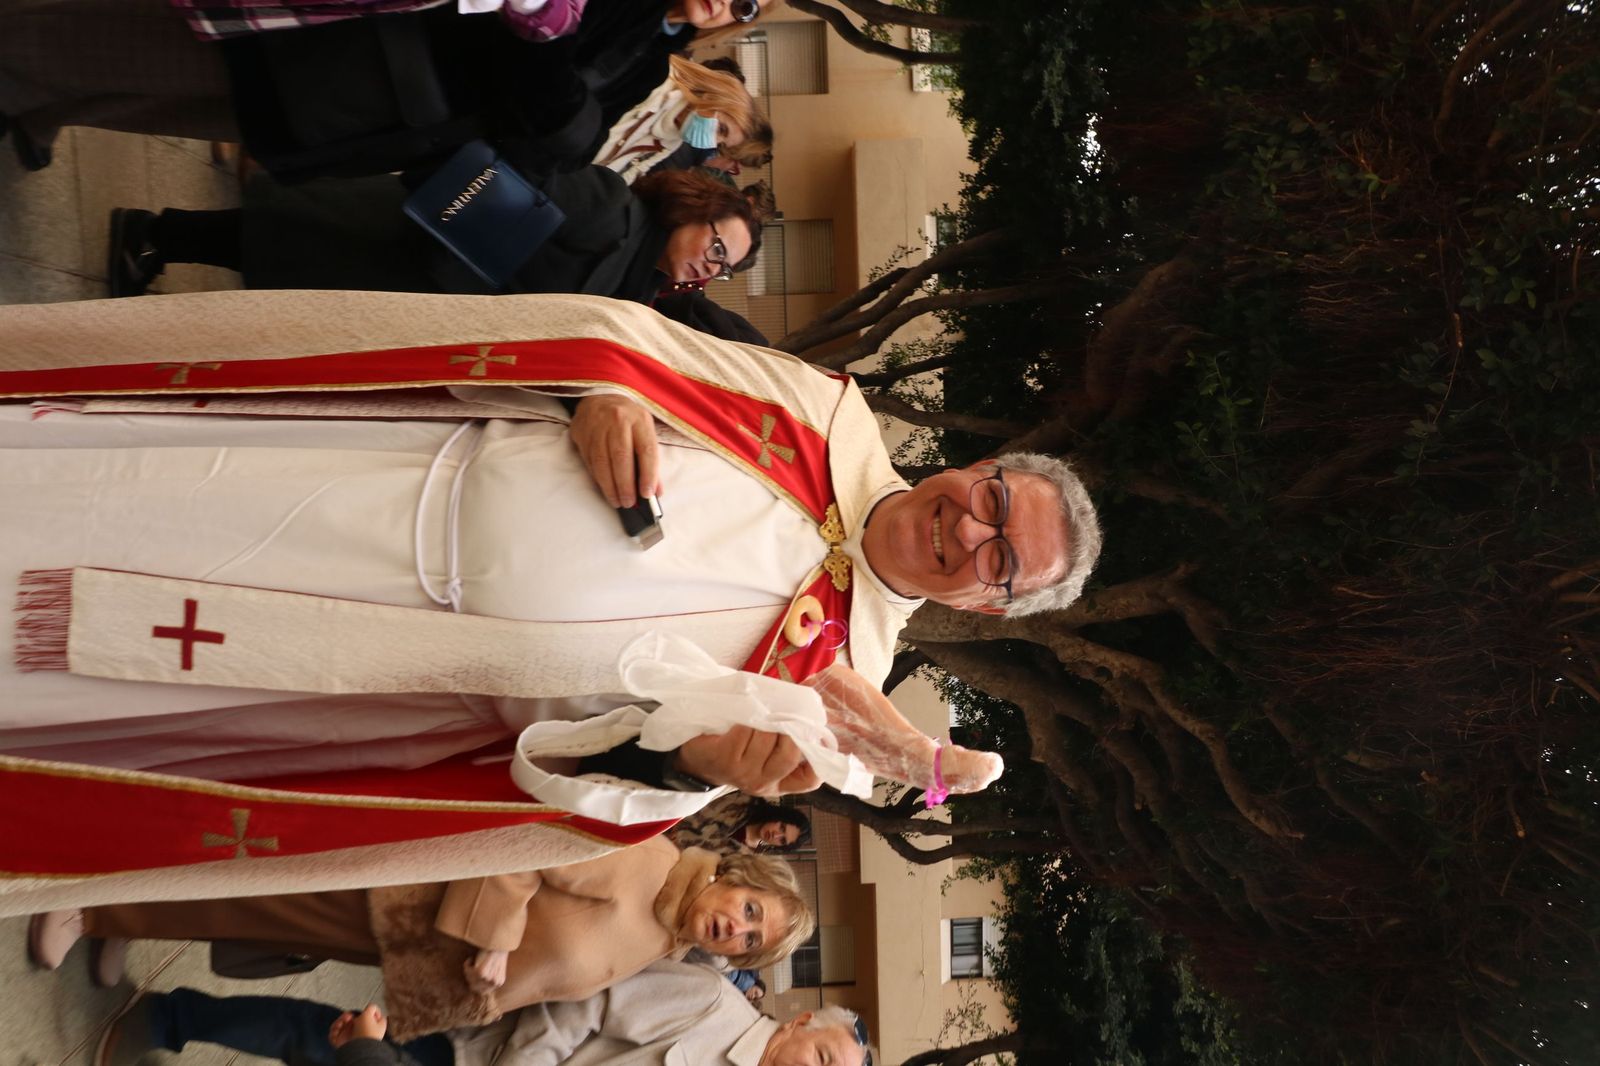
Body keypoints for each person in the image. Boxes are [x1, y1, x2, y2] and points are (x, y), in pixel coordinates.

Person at [0, 289, 1099, 910]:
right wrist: (596, 394)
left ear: (992, 612)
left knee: (87, 676)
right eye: (992, 496)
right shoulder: (818, 415)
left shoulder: (833, 707)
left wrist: (689, 765)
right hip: (363, 478)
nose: (968, 529)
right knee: (105, 494)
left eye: (1000, 558)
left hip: (375, 673)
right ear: (984, 462)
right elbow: (614, 338)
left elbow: (590, 786)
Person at [30, 845, 811, 1038]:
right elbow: (524, 848)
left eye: (748, 940)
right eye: (748, 908)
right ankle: (95, 905)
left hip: (413, 950)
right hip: (410, 906)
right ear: (734, 876)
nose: (735, 929)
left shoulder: (661, 938)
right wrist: (498, 938)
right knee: (258, 895)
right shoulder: (649, 862)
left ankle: (126, 919)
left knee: (257, 922)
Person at [0, 0, 767, 177]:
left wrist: (549, 79)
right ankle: (23, 69)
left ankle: (46, 106)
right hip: (364, 45)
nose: (727, 2)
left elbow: (566, 124)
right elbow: (543, 83)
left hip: (394, 106)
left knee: (198, 107)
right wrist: (549, 84)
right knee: (148, 50)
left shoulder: (654, 46)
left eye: (747, 6)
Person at [106, 166, 761, 298]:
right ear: (692, 212)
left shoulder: (635, 292)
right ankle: (154, 234)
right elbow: (517, 178)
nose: (713, 268)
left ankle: (159, 241)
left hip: (426, 286)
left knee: (282, 260)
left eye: (725, 268)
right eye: (717, 248)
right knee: (278, 236)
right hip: (417, 242)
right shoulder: (614, 207)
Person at [88, 961, 869, 1066]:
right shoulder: (712, 1004)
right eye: (825, 1061)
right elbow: (585, 1004)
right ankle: (169, 1017)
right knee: (323, 1040)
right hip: (485, 1055)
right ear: (803, 1025)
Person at [594, 57, 772, 184]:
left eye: (722, 143)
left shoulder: (672, 142)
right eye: (722, 129)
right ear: (715, 97)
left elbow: (629, 174)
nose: (713, 141)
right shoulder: (656, 79)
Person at [669, 795, 811, 855]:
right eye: (782, 827)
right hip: (670, 815)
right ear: (779, 816)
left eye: (782, 839)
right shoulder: (744, 802)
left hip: (669, 853)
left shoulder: (748, 858)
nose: (776, 834)